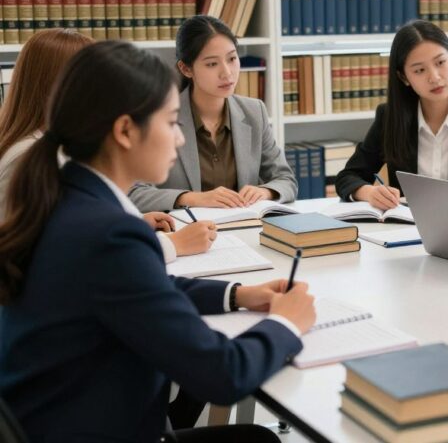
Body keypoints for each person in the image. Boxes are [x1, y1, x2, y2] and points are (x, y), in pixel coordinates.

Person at [0, 41, 316, 442]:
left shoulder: (67, 197)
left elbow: (144, 286)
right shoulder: (107, 233)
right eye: (170, 123)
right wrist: (287, 323)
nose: (181, 139)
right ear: (125, 131)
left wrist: (238, 294)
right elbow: (223, 374)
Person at [0, 28, 214, 259]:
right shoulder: (27, 158)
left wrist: (133, 225)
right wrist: (171, 244)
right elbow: (51, 257)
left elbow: (73, 231)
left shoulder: (56, 147)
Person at [334, 20, 448, 210]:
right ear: (404, 77)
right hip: (406, 232)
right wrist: (369, 192)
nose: (434, 77)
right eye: (419, 70)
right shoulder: (390, 118)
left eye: (440, 62)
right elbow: (347, 177)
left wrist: (444, 207)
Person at [129, 15, 297, 212]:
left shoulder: (254, 112)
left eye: (232, 59)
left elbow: (286, 180)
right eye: (211, 64)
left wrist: (266, 192)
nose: (227, 73)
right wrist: (193, 198)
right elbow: (133, 192)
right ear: (186, 68)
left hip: (244, 231)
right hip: (184, 234)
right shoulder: (159, 116)